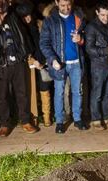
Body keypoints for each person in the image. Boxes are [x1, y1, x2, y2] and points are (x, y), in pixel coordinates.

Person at [0, 0, 39, 137]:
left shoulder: (13, 11)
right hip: (1, 62)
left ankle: (25, 121)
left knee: (22, 93)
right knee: (2, 96)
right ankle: (5, 123)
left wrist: (12, 3)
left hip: (18, 59)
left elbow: (29, 6)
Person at [39, 0, 88, 134]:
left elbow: (87, 38)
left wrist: (81, 39)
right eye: (62, 5)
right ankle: (60, 121)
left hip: (76, 62)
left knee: (77, 91)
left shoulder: (79, 17)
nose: (66, 8)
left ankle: (77, 119)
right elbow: (44, 43)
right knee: (59, 93)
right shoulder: (50, 21)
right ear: (56, 3)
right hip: (59, 64)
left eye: (68, 5)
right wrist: (52, 59)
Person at [16, 2, 53, 128]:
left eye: (30, 15)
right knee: (31, 91)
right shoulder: (19, 29)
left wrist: (44, 60)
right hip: (30, 63)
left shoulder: (40, 25)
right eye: (25, 16)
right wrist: (32, 59)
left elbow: (46, 44)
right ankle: (34, 117)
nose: (28, 18)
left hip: (42, 62)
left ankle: (47, 117)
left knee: (45, 88)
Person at [85, 1, 108, 130]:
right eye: (102, 15)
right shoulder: (91, 27)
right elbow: (89, 49)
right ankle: (95, 119)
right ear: (96, 13)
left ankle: (106, 117)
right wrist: (106, 50)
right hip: (98, 66)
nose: (106, 18)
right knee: (97, 93)